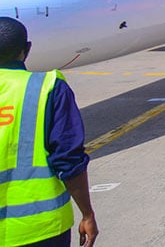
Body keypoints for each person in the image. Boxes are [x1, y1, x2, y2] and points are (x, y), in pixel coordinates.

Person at [0, 17, 99, 247]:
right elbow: (68, 159)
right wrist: (87, 214)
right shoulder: (47, 87)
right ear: (27, 50)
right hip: (40, 230)